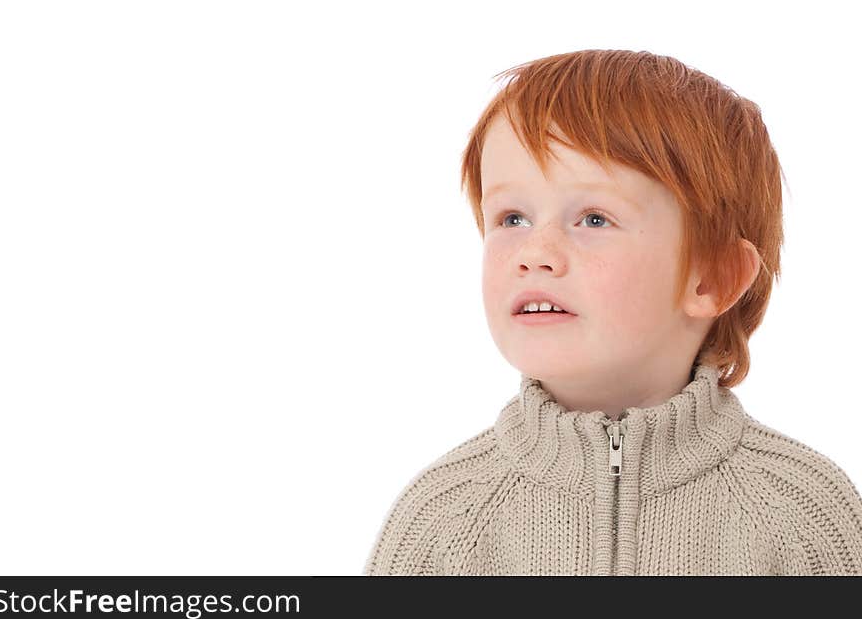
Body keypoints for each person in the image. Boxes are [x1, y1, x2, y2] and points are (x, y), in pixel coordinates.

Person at [363, 49, 862, 575]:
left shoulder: (803, 516)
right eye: (512, 218)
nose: (535, 252)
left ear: (711, 278)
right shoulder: (443, 520)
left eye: (594, 219)